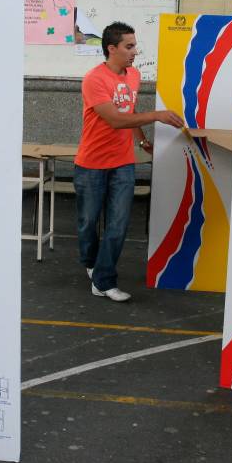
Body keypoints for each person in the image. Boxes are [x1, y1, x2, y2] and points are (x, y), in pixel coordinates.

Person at [74, 22, 184, 302]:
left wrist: (142, 140)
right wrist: (156, 115)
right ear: (112, 49)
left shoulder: (134, 75)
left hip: (123, 163)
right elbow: (114, 119)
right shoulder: (94, 79)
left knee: (119, 223)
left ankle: (103, 280)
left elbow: (129, 110)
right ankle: (91, 262)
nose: (135, 51)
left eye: (135, 45)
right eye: (129, 46)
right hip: (91, 164)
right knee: (88, 222)